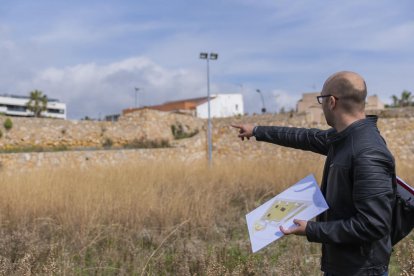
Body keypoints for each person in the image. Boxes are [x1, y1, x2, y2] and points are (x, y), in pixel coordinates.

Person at [232, 71, 395, 276]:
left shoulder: (366, 151)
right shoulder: (345, 138)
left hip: (361, 270)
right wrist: (256, 130)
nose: (321, 104)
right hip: (347, 264)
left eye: (321, 99)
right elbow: (305, 137)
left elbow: (374, 225)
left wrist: (311, 229)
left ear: (332, 102)